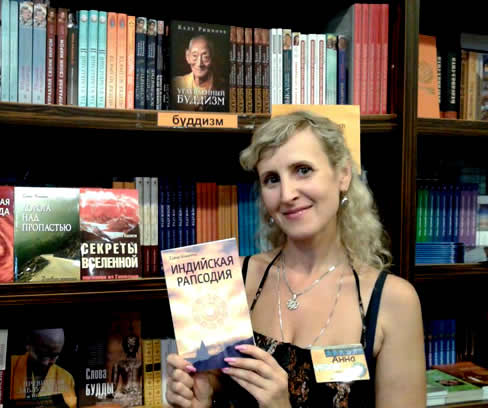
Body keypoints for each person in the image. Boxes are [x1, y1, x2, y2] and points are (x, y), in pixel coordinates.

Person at [166, 111, 425, 407]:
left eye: (303, 170)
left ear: (342, 175)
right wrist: (200, 398)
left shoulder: (394, 301)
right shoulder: (229, 278)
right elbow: (214, 389)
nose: (287, 194)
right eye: (272, 179)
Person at [10, 328, 77, 407]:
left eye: (54, 356)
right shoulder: (9, 365)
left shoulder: (67, 379)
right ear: (28, 344)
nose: (45, 363)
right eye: (41, 355)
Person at [172, 35, 227, 108]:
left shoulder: (224, 88)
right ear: (187, 56)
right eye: (194, 56)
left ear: (212, 57)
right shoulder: (176, 84)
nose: (199, 64)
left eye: (205, 57)